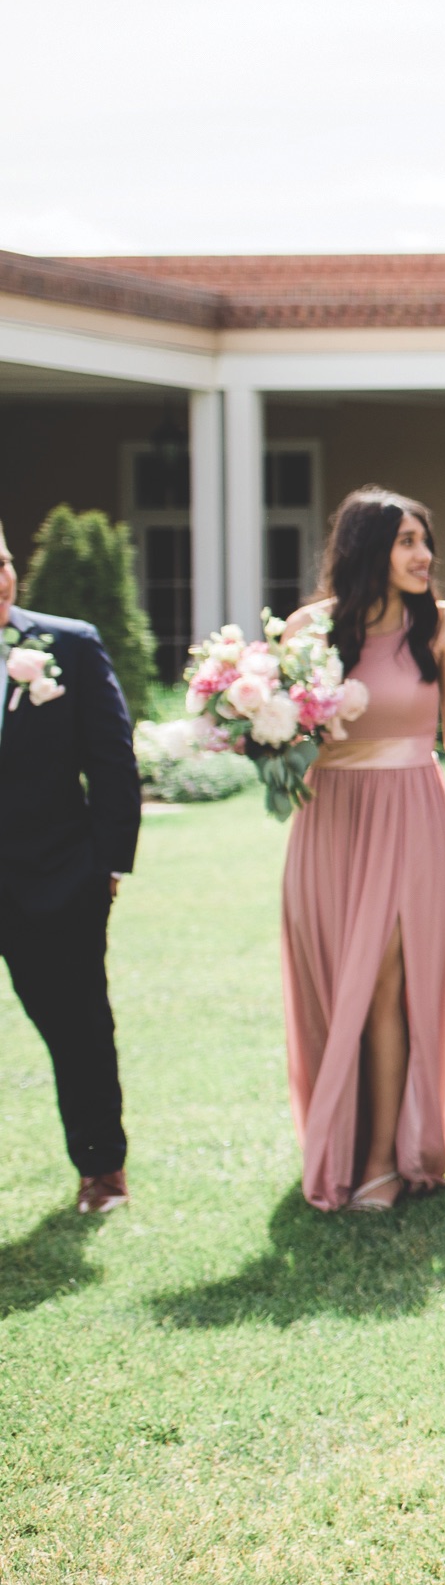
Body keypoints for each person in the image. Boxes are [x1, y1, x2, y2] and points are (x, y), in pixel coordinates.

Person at [281, 489, 445, 1212]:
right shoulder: (309, 629)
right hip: (330, 818)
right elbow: (286, 740)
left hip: (412, 809)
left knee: (386, 981)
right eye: (406, 541)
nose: (423, 556)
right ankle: (342, 1138)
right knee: (333, 975)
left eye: (424, 540)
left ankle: (383, 1156)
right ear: (366, 550)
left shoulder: (444, 625)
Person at [0, 519, 140, 1214]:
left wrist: (107, 867)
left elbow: (114, 763)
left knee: (77, 1024)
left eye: (1, 561)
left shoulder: (68, 645)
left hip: (55, 879)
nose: (0, 578)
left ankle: (101, 1167)